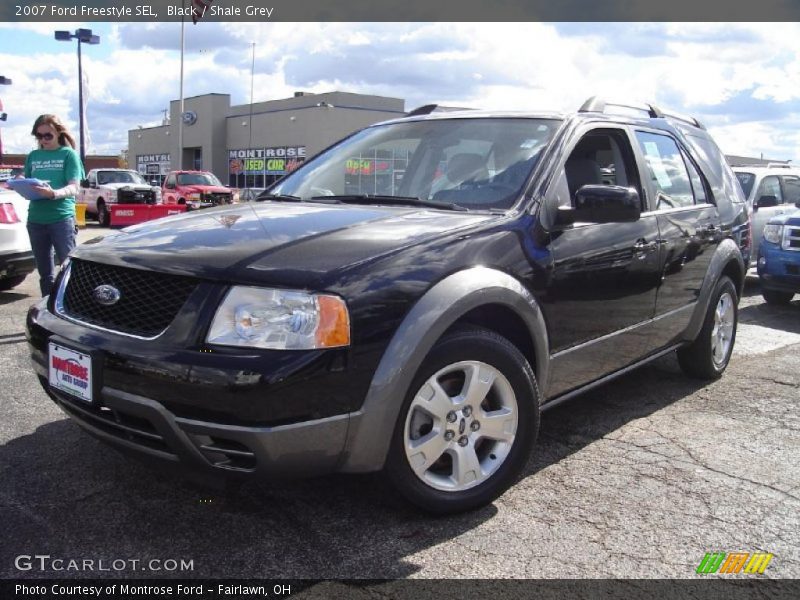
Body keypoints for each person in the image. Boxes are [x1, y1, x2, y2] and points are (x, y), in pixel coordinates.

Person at [24, 114, 84, 296]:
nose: (43, 140)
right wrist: (19, 183)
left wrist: (53, 194)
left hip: (61, 219)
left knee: (68, 268)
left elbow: (74, 187)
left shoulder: (68, 154)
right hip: (36, 219)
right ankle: (47, 306)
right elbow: (28, 182)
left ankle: (72, 304)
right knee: (45, 273)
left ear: (58, 132)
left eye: (47, 135)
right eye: (39, 136)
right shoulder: (33, 156)